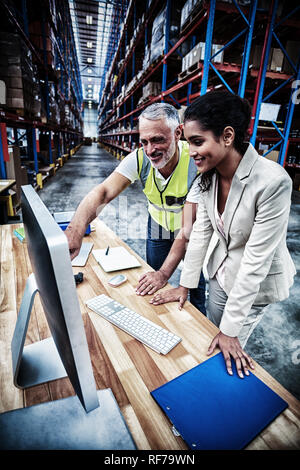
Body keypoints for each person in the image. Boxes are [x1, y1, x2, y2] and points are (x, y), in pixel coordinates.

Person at [150, 90, 296, 378]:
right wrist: (186, 285)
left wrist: (231, 331)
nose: (190, 152)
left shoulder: (273, 182)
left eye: (197, 142)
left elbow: (256, 261)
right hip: (219, 273)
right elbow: (199, 235)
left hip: (257, 284)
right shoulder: (208, 179)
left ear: (227, 136)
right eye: (188, 142)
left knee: (226, 348)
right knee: (209, 336)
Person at [65, 102, 206, 313]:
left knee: (194, 282)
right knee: (153, 280)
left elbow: (188, 229)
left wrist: (165, 273)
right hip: (158, 226)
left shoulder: (195, 162)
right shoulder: (139, 159)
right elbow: (103, 191)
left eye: (158, 140)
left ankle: (201, 323)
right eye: (144, 142)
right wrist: (74, 230)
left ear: (178, 133)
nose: (150, 150)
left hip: (191, 230)